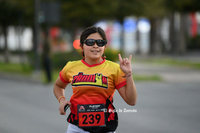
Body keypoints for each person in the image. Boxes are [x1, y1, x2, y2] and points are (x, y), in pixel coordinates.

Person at [53, 26, 137, 133]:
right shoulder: (70, 67)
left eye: (100, 42)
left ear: (105, 46)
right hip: (76, 128)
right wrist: (62, 99)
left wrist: (129, 74)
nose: (96, 46)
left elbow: (131, 101)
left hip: (106, 128)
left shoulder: (115, 69)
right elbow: (58, 85)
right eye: (90, 42)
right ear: (82, 46)